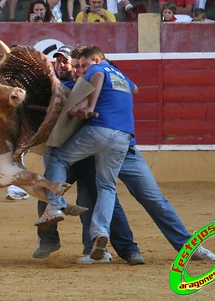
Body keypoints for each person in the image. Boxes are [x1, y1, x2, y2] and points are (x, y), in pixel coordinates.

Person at [34, 47, 144, 265]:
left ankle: (123, 249)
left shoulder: (92, 80)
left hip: (88, 155)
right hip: (69, 151)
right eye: (66, 64)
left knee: (93, 198)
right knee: (47, 190)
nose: (68, 68)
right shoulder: (56, 85)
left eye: (72, 64)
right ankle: (48, 240)